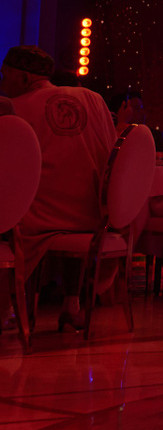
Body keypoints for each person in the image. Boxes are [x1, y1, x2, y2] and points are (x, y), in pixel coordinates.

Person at [2, 45, 116, 330]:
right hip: (94, 216)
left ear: (24, 78)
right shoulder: (94, 99)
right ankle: (71, 303)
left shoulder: (15, 108)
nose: (2, 84)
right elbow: (113, 157)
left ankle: (8, 306)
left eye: (5, 76)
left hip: (37, 220)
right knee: (67, 198)